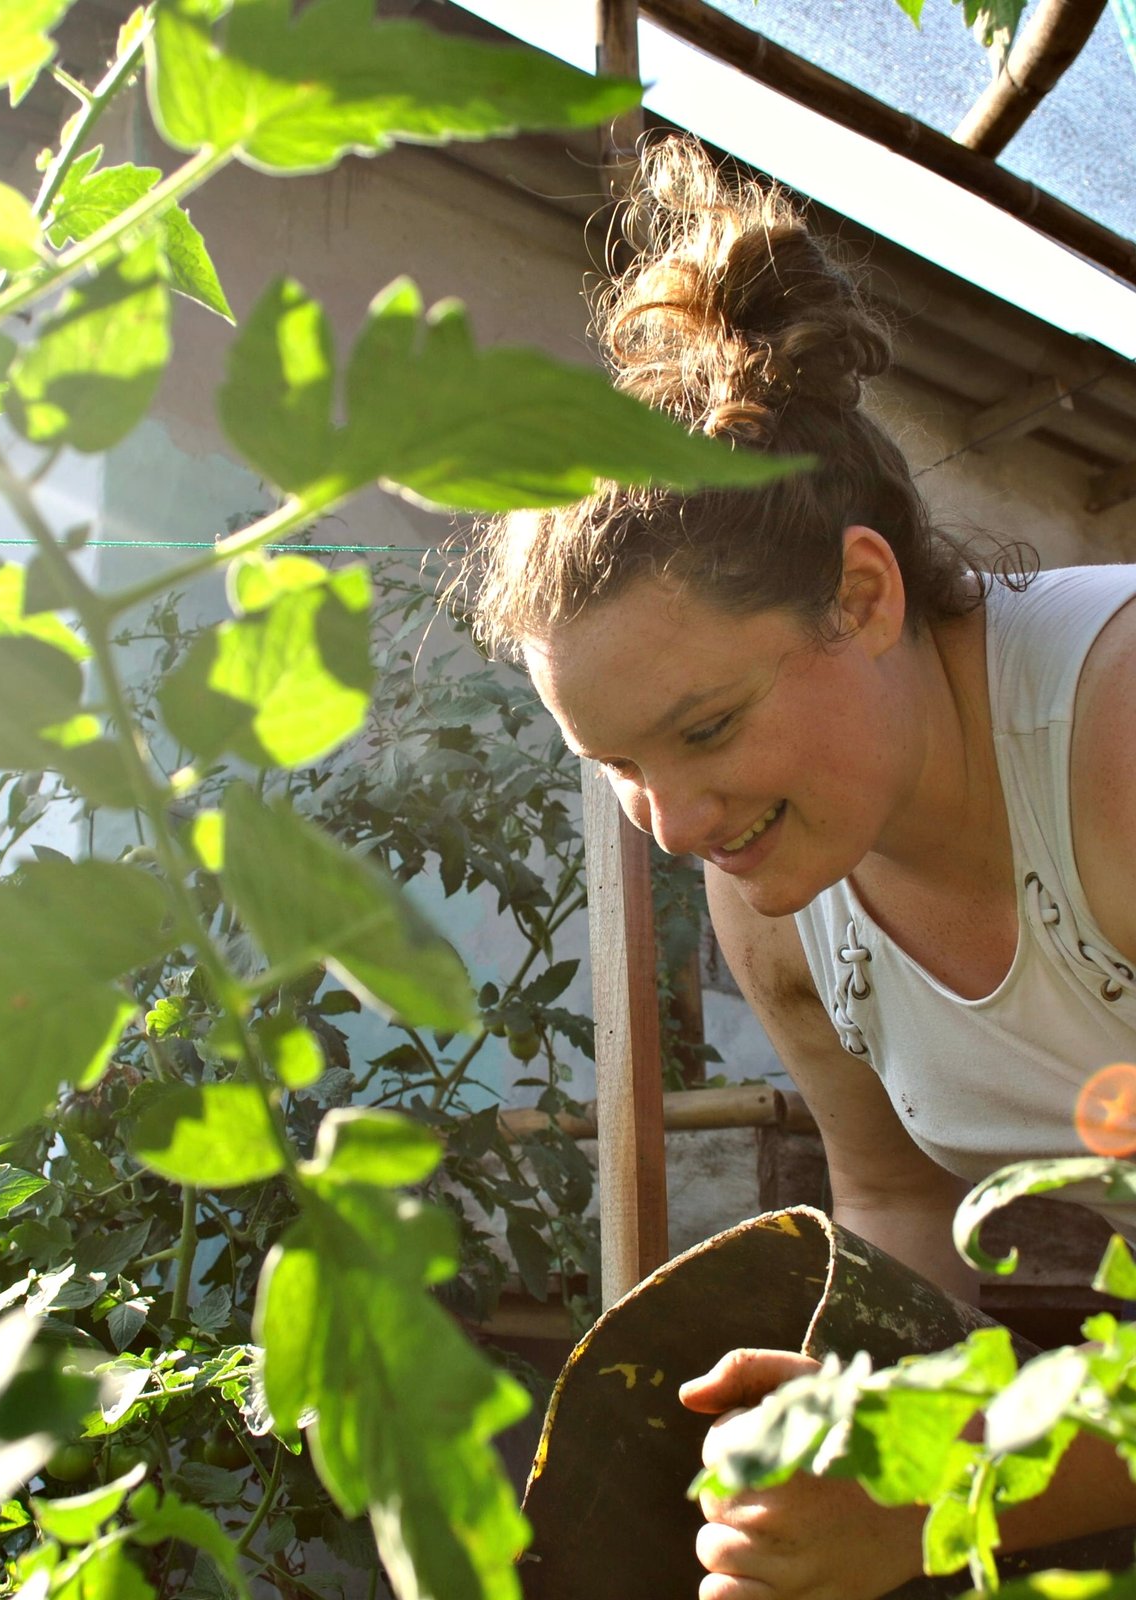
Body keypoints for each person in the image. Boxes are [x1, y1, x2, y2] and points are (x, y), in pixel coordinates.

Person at [463, 136, 1136, 1599]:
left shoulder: (1118, 740)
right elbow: (895, 1201)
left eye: (704, 729)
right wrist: (834, 1423)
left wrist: (941, 1489)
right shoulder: (779, 897)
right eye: (620, 766)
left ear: (865, 594)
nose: (674, 822)